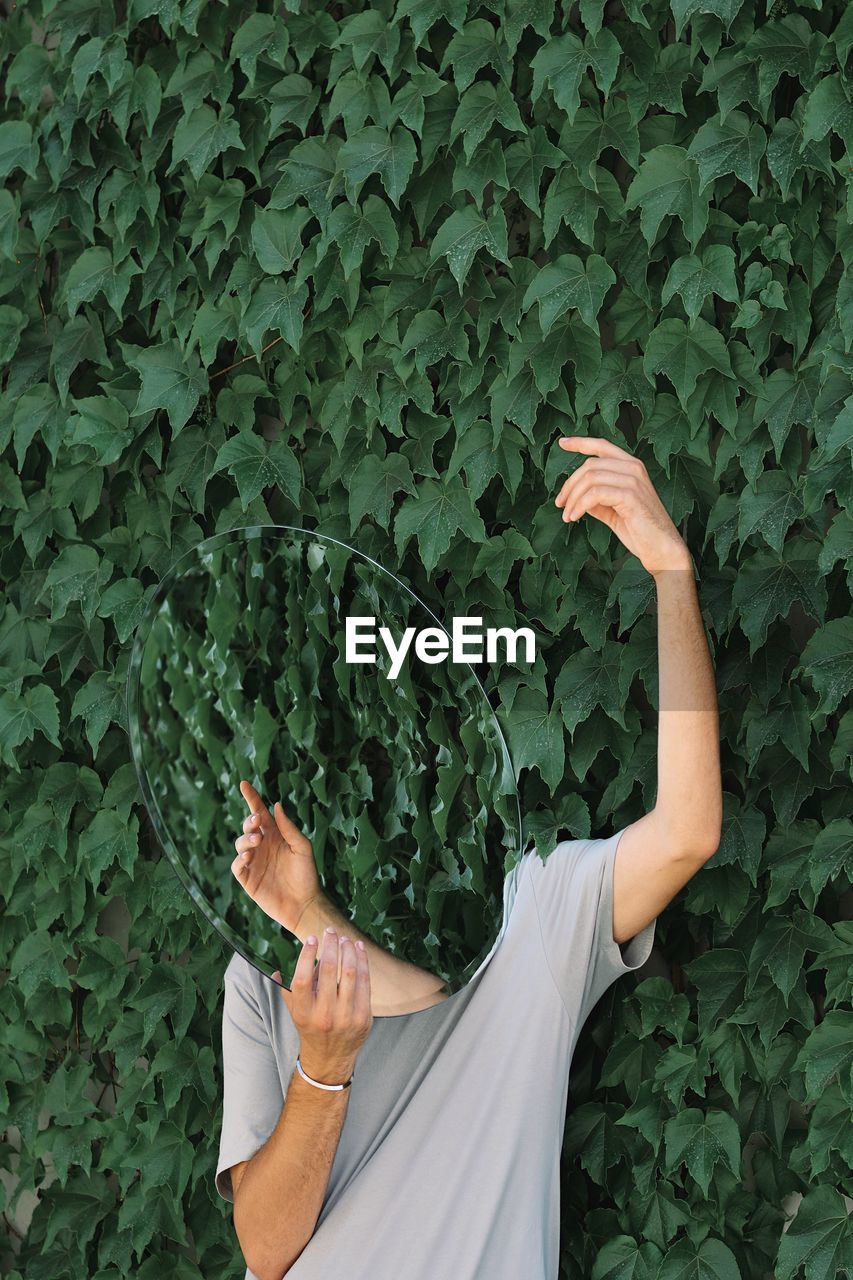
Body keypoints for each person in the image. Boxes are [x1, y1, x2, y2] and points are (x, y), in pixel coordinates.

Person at [215, 436, 723, 1280]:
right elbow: (266, 1250)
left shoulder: (536, 919)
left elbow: (688, 830)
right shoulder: (262, 974)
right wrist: (324, 1065)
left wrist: (671, 572)